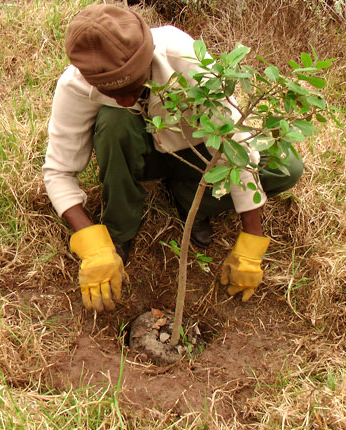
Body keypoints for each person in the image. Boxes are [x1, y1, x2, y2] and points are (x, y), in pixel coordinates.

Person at [43, 4, 303, 312]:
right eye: (111, 93)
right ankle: (120, 230)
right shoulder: (74, 84)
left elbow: (235, 144)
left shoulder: (183, 56)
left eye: (133, 87)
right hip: (139, 153)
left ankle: (190, 198)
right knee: (115, 121)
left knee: (286, 167)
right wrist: (90, 241)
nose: (125, 100)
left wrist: (252, 241)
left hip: (198, 150)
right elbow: (58, 172)